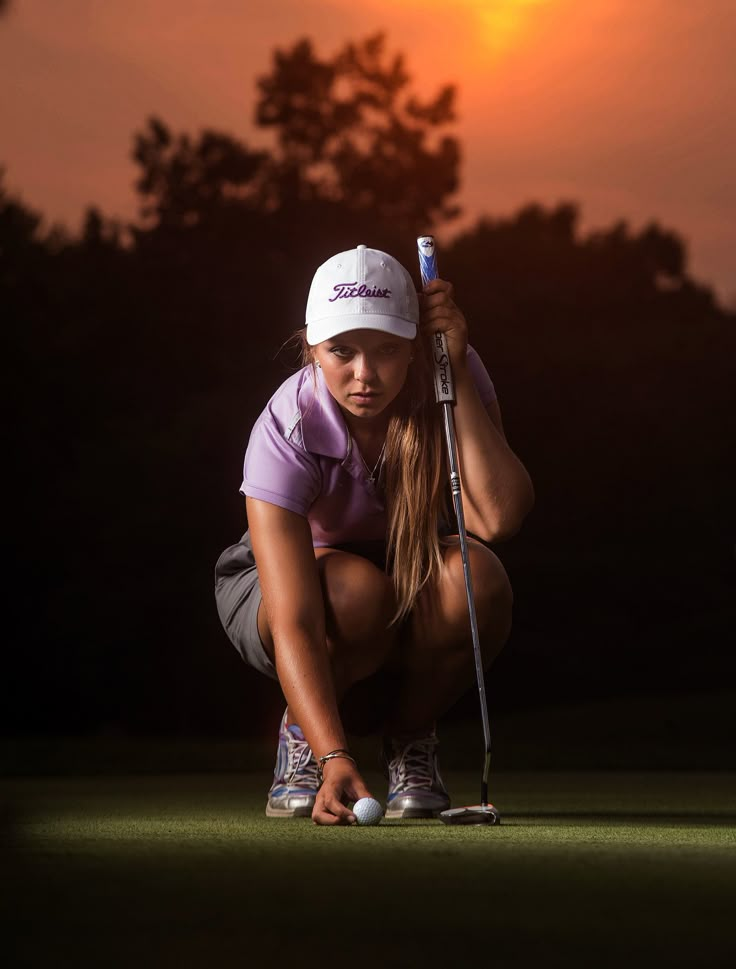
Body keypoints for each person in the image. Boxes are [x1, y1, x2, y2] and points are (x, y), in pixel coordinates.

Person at [215, 244, 534, 826]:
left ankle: (411, 739)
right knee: (356, 593)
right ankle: (305, 742)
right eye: (342, 351)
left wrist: (455, 368)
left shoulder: (447, 372)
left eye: (388, 350)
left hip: (407, 565)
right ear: (312, 347)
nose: (366, 375)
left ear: (415, 345)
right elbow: (294, 619)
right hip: (285, 585)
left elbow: (497, 517)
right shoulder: (287, 421)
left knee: (477, 580)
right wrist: (334, 752)